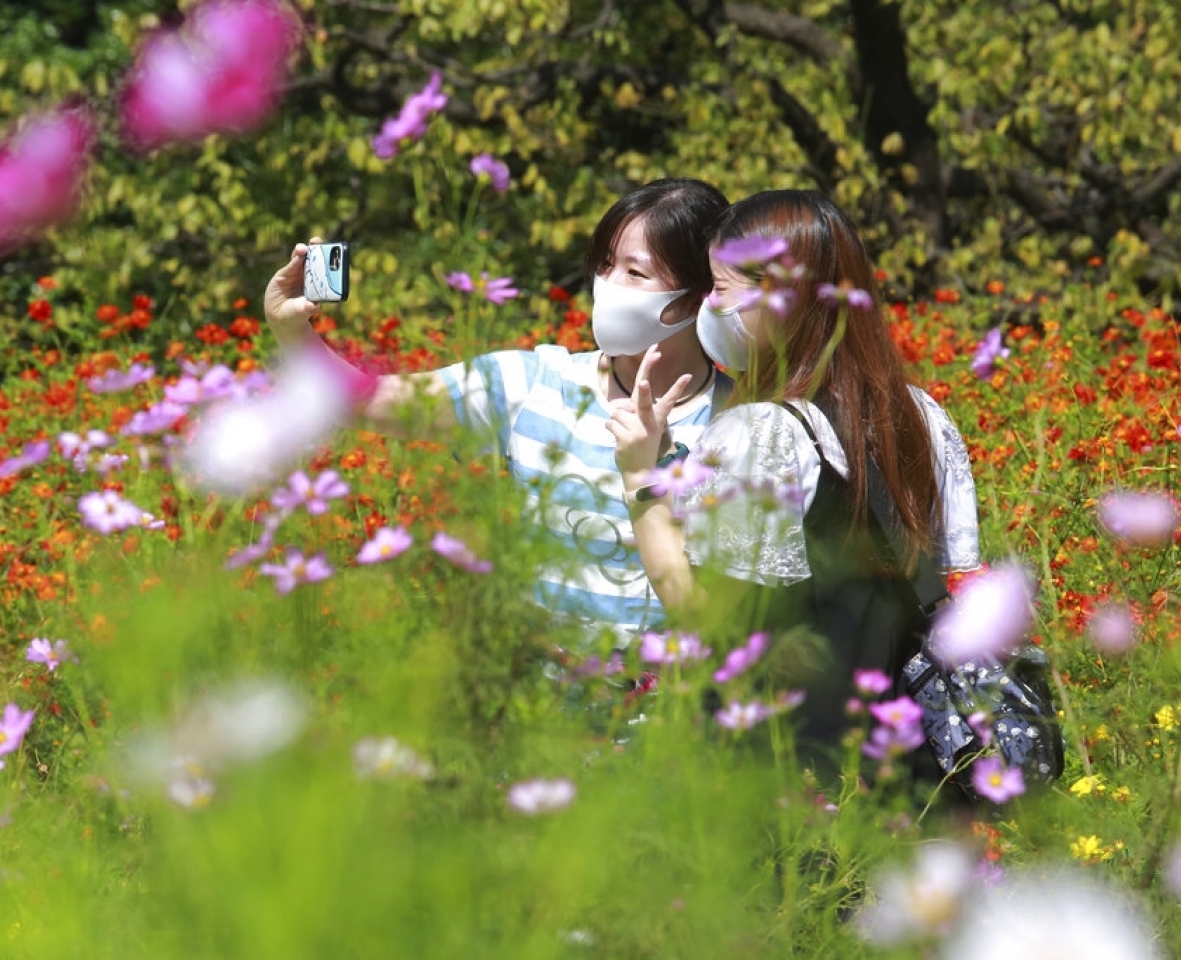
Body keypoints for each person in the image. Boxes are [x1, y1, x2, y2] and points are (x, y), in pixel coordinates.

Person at [264, 178, 732, 647]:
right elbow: (369, 403)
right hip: (541, 706)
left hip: (660, 708)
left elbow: (723, 616)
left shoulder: (735, 423)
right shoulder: (534, 383)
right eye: (605, 265)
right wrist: (292, 332)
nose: (608, 286)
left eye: (635, 272)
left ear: (697, 297)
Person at [606, 189, 980, 753]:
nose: (711, 307)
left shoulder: (761, 432)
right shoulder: (921, 414)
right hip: (899, 760)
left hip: (786, 766)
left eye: (722, 289)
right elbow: (956, 579)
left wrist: (640, 474)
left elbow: (703, 614)